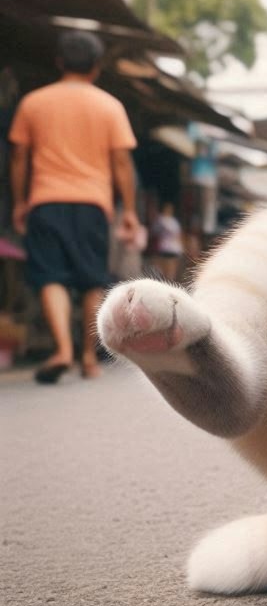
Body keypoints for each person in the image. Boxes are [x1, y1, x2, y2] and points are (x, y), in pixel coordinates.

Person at [8, 31, 139, 383]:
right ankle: (87, 356)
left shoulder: (33, 103)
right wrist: (128, 210)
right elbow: (122, 163)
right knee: (92, 278)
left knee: (51, 275)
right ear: (96, 68)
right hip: (93, 204)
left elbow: (20, 157)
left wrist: (20, 202)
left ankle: (62, 348)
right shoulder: (110, 106)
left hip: (45, 200)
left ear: (60, 62)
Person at [150, 202, 183, 282]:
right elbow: (154, 231)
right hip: (163, 248)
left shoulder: (174, 222)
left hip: (172, 248)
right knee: (163, 268)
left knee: (171, 269)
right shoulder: (160, 220)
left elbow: (178, 235)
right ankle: (166, 281)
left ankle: (170, 281)